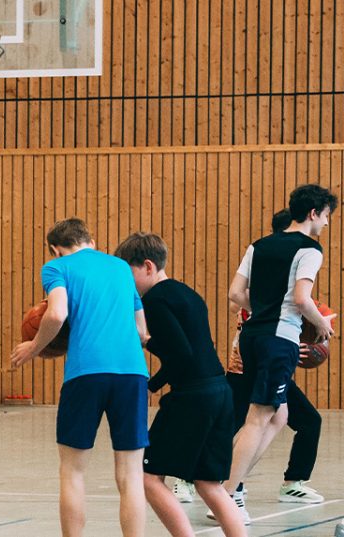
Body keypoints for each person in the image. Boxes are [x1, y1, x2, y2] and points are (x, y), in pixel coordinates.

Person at [10, 218, 149, 537]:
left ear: (55, 249)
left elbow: (56, 313)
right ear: (91, 240)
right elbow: (142, 331)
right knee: (130, 474)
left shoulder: (57, 267)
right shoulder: (119, 268)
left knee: (72, 470)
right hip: (132, 373)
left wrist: (33, 347)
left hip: (86, 371)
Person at [114, 233, 246, 536]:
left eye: (129, 274)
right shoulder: (187, 293)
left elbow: (180, 353)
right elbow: (194, 350)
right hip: (218, 390)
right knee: (209, 484)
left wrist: (147, 342)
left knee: (147, 477)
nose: (127, 284)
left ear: (147, 267)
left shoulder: (155, 301)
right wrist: (154, 382)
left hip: (192, 398)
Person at [225, 184, 336, 524]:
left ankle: (231, 485)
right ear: (314, 213)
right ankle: (227, 495)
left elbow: (235, 293)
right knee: (258, 418)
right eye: (327, 217)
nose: (327, 224)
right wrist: (321, 327)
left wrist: (264, 307)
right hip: (278, 339)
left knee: (280, 416)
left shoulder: (257, 245)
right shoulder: (310, 248)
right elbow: (302, 299)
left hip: (253, 335)